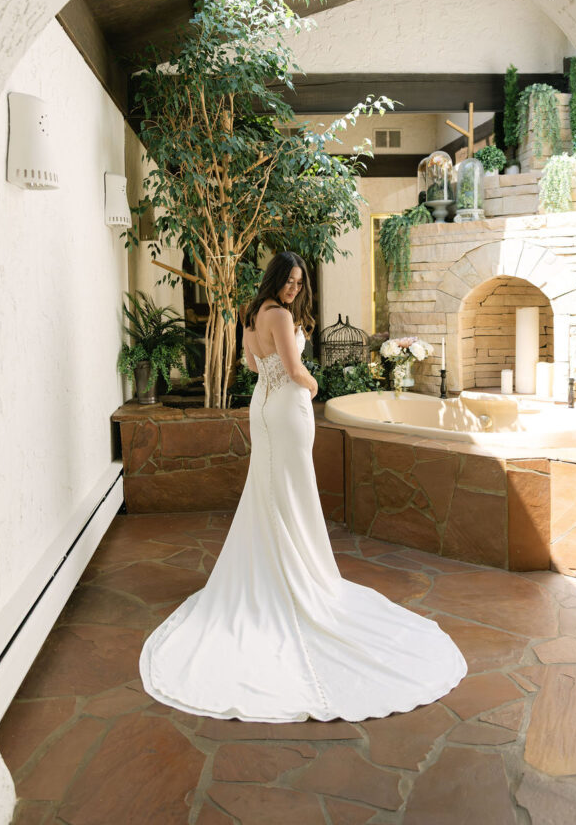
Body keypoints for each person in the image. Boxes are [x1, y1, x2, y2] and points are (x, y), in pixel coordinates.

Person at [140, 251, 467, 721]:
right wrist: (313, 387)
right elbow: (295, 372)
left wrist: (284, 365)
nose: (295, 288)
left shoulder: (252, 313)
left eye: (298, 281)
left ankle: (276, 568)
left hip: (262, 406)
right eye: (289, 280)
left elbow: (253, 366)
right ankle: (295, 576)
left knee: (272, 489)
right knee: (291, 490)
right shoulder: (280, 314)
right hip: (287, 408)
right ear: (276, 279)